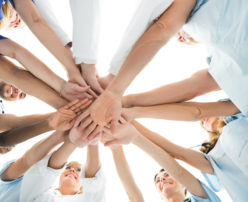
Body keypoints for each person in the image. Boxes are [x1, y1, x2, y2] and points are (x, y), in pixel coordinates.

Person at [83, 0, 248, 128]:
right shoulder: (224, 60)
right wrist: (123, 100)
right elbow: (195, 88)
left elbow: (162, 28)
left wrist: (115, 90)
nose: (180, 36)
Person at [103, 120, 221, 202]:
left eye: (166, 175)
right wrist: (115, 148)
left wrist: (134, 136)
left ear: (183, 185)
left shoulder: (204, 198)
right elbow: (133, 195)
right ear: (160, 196)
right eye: (158, 180)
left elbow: (178, 171)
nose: (162, 179)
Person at [0, 130, 105, 201]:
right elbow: (44, 168)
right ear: (59, 176)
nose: (72, 170)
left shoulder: (84, 198)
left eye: (78, 170)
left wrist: (92, 137)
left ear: (82, 186)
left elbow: (93, 185)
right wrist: (76, 137)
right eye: (68, 167)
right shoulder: (42, 193)